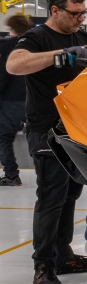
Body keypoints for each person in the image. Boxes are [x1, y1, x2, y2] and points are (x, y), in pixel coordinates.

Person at [6, 0, 87, 284]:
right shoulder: (36, 39)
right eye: (74, 14)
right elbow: (15, 65)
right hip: (47, 128)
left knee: (70, 194)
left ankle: (64, 256)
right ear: (54, 11)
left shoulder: (84, 37)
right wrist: (57, 57)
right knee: (50, 198)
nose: (79, 19)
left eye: (82, 14)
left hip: (79, 129)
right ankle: (43, 267)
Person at [0, 14, 33, 186]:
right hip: (34, 100)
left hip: (11, 101)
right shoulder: (36, 46)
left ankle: (11, 175)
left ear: (12, 29)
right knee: (38, 138)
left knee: (4, 138)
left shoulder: (6, 47)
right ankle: (47, 174)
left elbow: (3, 77)